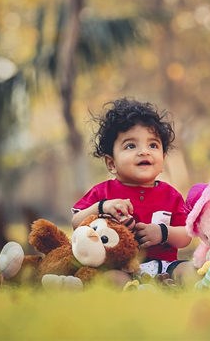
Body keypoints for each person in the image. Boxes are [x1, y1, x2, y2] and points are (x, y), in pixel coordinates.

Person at [71, 98, 197, 286]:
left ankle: (170, 284)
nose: (144, 152)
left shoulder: (170, 195)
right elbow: (76, 223)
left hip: (165, 265)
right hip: (122, 268)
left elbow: (186, 236)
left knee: (189, 270)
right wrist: (101, 207)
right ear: (111, 163)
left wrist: (163, 232)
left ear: (162, 159)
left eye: (153, 145)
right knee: (109, 279)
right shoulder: (103, 192)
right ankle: (137, 289)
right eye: (131, 146)